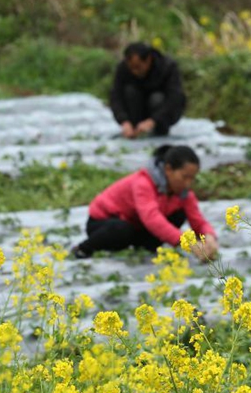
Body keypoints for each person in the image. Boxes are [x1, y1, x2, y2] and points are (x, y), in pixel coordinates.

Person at [71, 145, 219, 261]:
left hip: (136, 225)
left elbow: (198, 221)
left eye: (192, 178)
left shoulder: (184, 194)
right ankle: (83, 248)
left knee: (178, 215)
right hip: (104, 224)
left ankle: (142, 248)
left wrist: (209, 237)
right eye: (184, 177)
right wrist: (188, 243)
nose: (188, 183)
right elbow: (152, 219)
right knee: (122, 230)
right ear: (168, 169)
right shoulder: (143, 183)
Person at [109, 42, 187, 139]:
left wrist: (153, 121)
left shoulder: (167, 67)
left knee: (156, 98)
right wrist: (124, 121)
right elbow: (116, 96)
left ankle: (159, 131)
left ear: (148, 59)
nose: (134, 72)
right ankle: (134, 130)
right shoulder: (123, 68)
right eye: (131, 68)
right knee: (130, 91)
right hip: (137, 111)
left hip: (161, 112)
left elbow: (175, 99)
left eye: (138, 67)